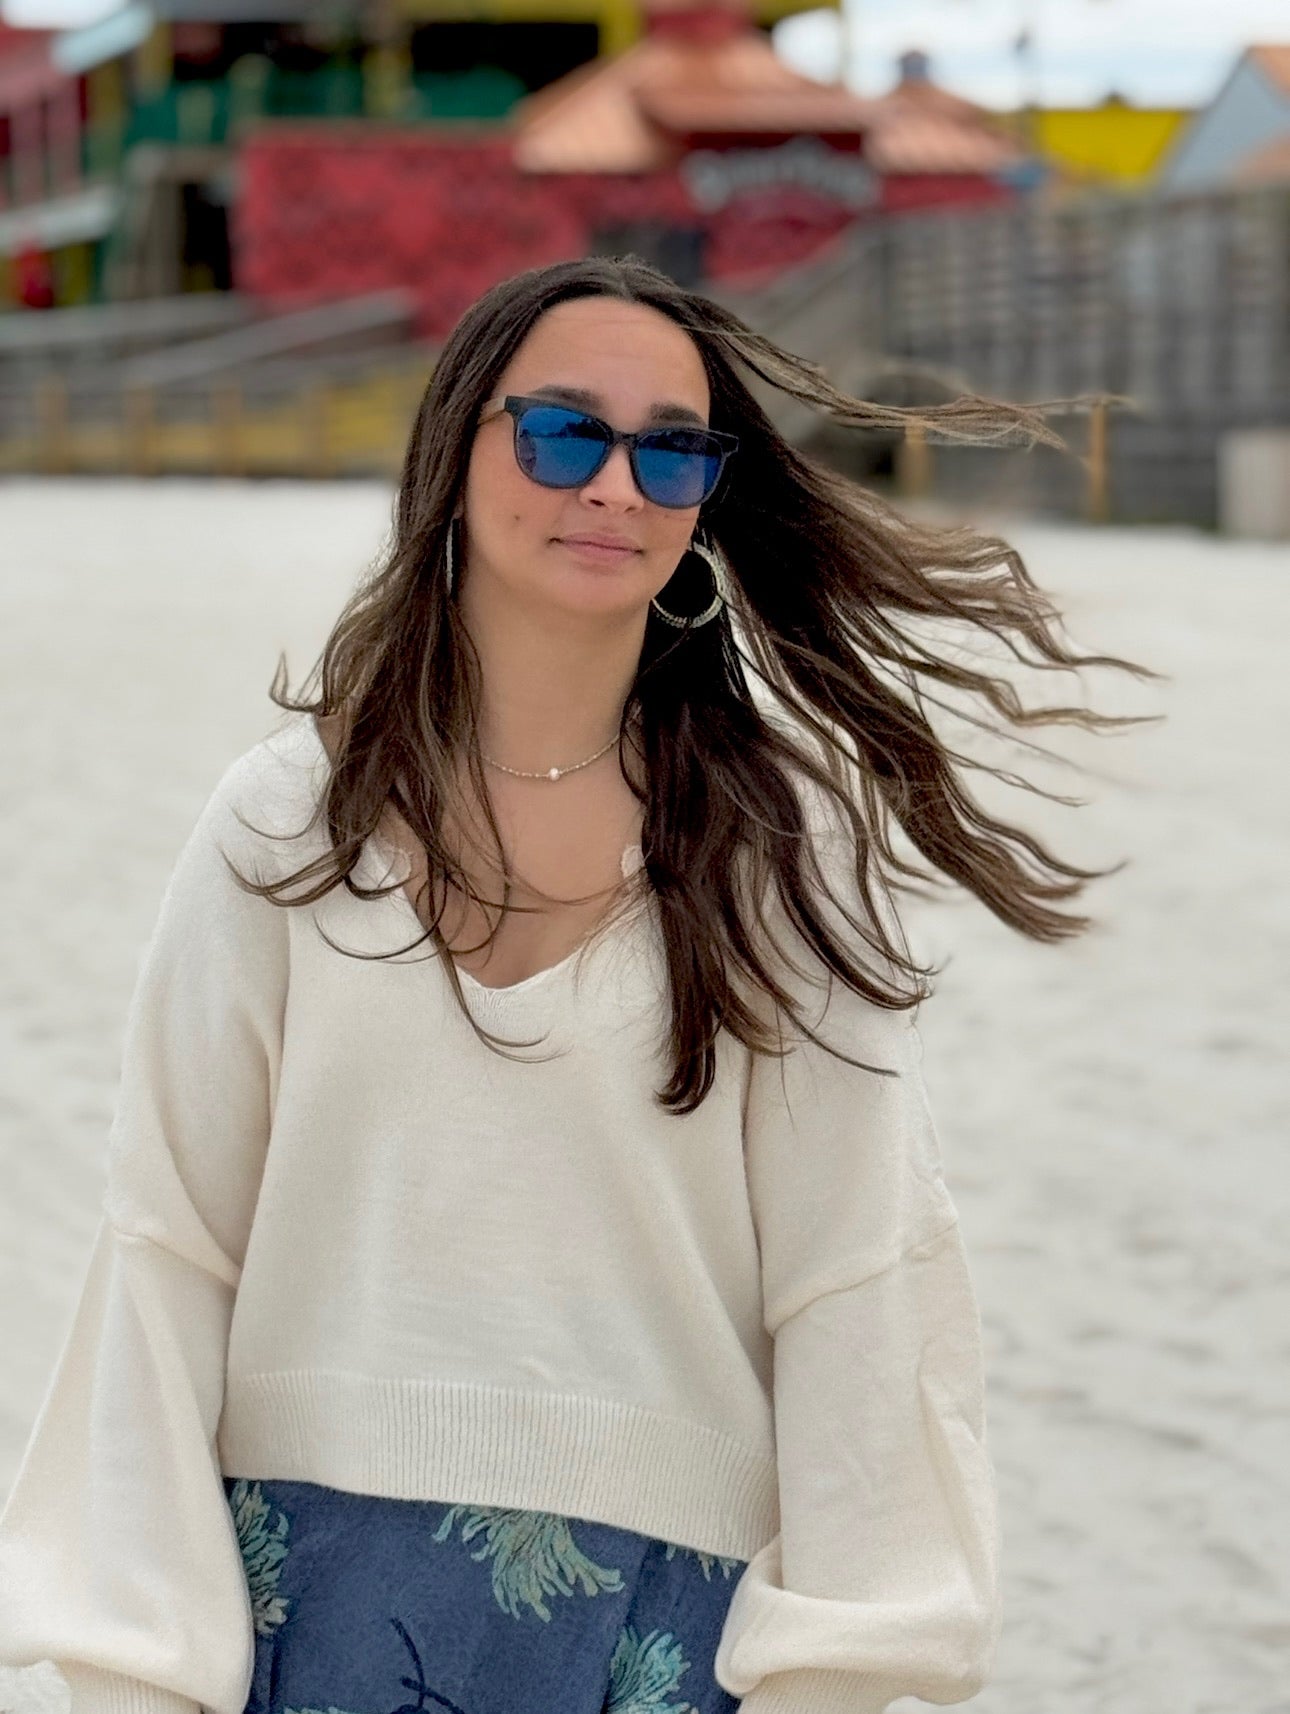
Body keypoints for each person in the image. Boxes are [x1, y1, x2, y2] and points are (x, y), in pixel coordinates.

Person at [0, 255, 1155, 1714]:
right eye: (561, 433)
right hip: (297, 1608)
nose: (614, 485)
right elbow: (168, 1253)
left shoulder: (773, 848)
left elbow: (857, 1280)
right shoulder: (287, 824)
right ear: (456, 449)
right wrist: (134, 1672)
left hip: (668, 1633)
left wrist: (831, 1668)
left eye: (671, 451)